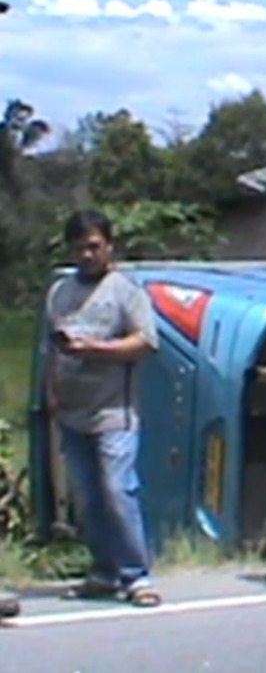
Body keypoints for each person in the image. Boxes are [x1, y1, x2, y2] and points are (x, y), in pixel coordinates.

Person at [42, 209, 161, 607]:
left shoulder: (125, 291)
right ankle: (103, 570)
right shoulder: (60, 293)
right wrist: (52, 394)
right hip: (73, 412)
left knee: (117, 490)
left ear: (109, 246)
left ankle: (136, 575)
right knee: (88, 497)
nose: (87, 255)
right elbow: (50, 351)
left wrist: (96, 350)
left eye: (94, 246)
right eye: (80, 248)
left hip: (114, 413)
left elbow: (145, 343)